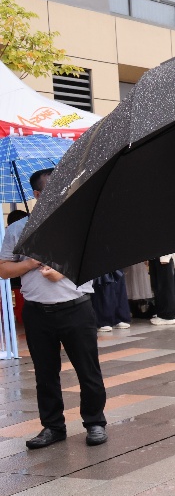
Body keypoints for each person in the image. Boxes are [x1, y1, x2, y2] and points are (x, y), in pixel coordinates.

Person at [0, 169, 108, 450]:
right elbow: (4, 269)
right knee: (45, 374)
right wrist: (30, 263)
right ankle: (53, 427)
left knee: (88, 370)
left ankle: (95, 422)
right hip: (38, 313)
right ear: (37, 194)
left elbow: (92, 259)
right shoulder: (17, 229)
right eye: (51, 189)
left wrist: (60, 272)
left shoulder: (77, 222)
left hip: (76, 308)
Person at [148, 253, 175, 324]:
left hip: (164, 256)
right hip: (155, 255)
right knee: (157, 286)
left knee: (165, 286)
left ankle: (168, 315)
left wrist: (166, 257)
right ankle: (161, 313)